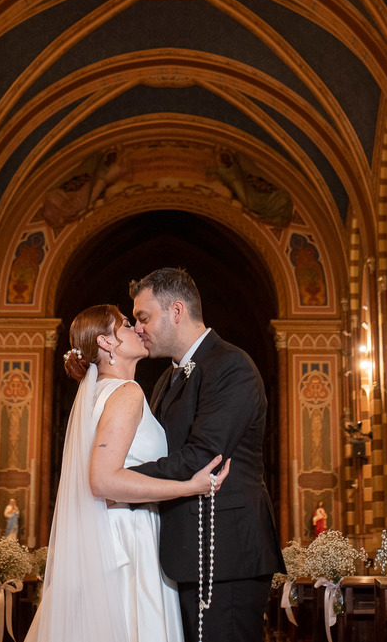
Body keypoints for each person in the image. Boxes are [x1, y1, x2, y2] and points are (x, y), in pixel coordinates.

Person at [26, 305, 230, 642]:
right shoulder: (126, 393)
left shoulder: (97, 395)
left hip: (108, 533)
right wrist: (189, 486)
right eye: (125, 324)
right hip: (127, 536)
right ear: (107, 343)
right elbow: (103, 480)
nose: (137, 327)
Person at [129, 267, 285, 642]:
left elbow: (203, 456)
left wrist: (122, 482)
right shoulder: (168, 378)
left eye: (143, 317)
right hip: (186, 552)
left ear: (176, 311)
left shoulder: (232, 366)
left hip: (226, 553)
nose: (137, 328)